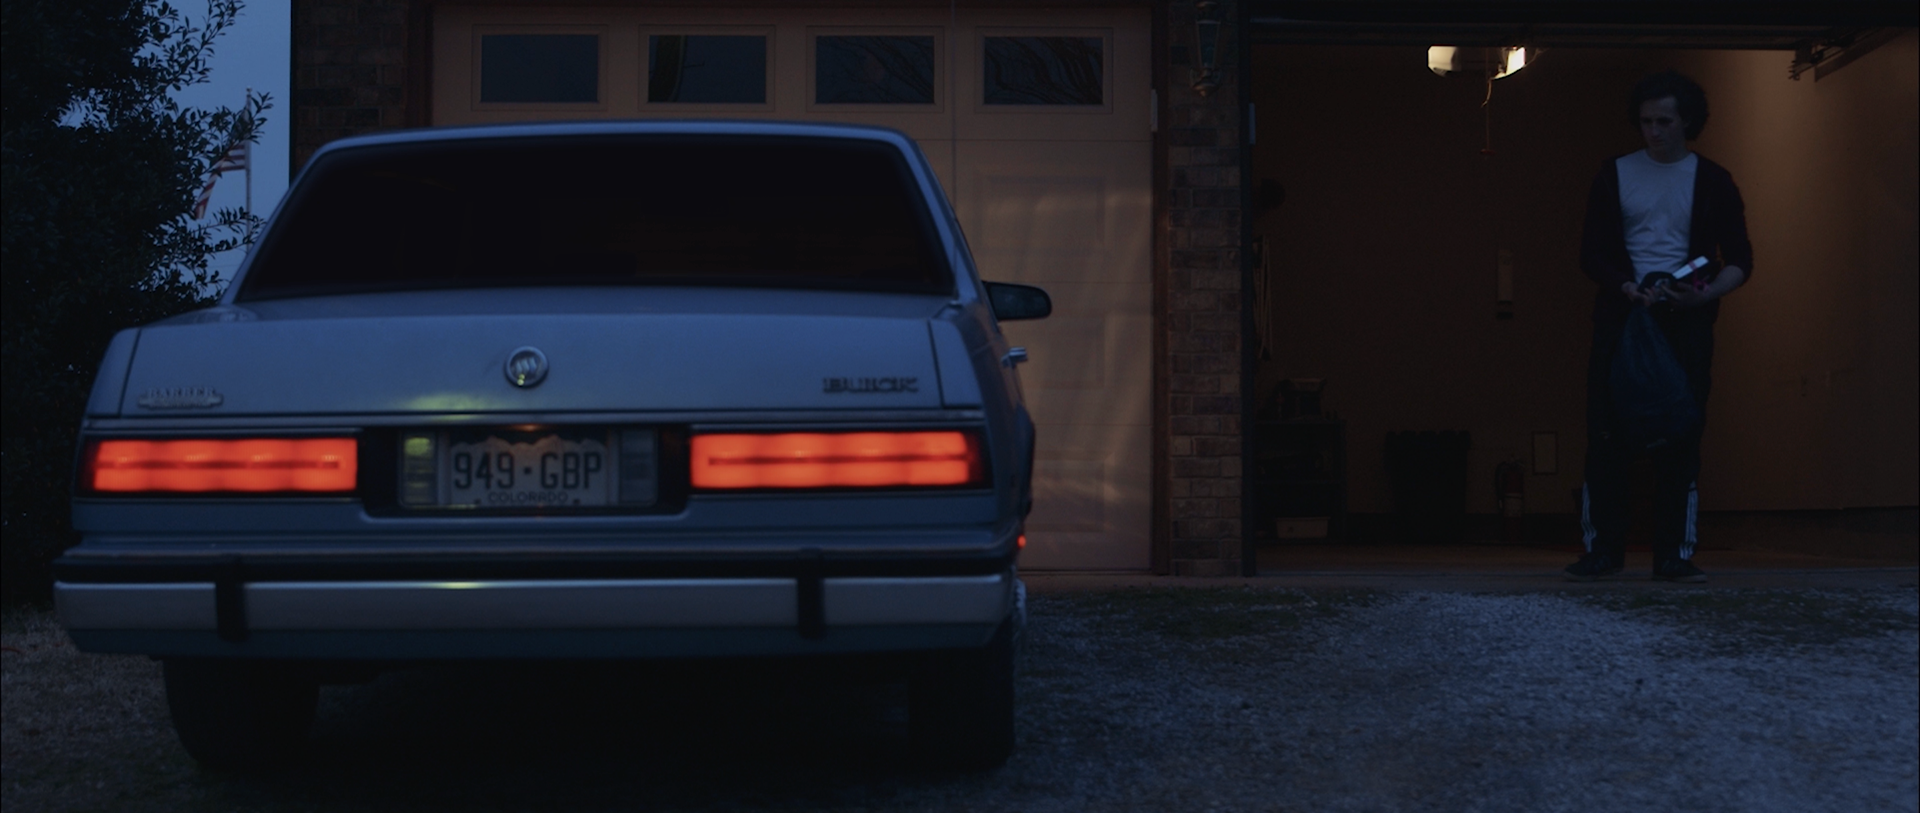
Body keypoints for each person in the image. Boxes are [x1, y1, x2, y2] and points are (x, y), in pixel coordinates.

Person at [1565, 70, 1752, 583]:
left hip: (1684, 322)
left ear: (1686, 121)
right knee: (1607, 432)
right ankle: (1603, 550)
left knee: (1681, 434)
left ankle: (1672, 554)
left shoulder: (1712, 180)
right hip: (1622, 320)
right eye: (1647, 121)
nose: (1654, 131)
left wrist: (1702, 294)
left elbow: (1739, 258)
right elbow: (1591, 254)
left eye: (1664, 121)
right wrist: (1626, 286)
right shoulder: (1614, 175)